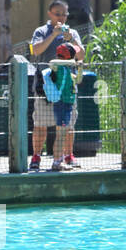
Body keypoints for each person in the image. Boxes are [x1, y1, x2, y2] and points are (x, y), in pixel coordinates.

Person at [29, 0, 84, 171]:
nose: (61, 17)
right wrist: (53, 35)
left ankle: (68, 155)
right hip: (46, 86)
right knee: (41, 124)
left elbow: (81, 56)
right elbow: (35, 50)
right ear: (49, 14)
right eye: (57, 14)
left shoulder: (73, 32)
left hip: (67, 87)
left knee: (68, 125)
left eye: (64, 14)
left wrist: (72, 39)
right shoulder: (41, 31)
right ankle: (36, 156)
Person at [40, 43, 80, 171]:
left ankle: (58, 161)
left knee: (62, 134)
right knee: (61, 135)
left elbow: (78, 80)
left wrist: (80, 68)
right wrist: (72, 62)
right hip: (62, 104)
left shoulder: (67, 69)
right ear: (69, 56)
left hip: (67, 105)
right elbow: (52, 62)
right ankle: (57, 163)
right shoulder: (58, 67)